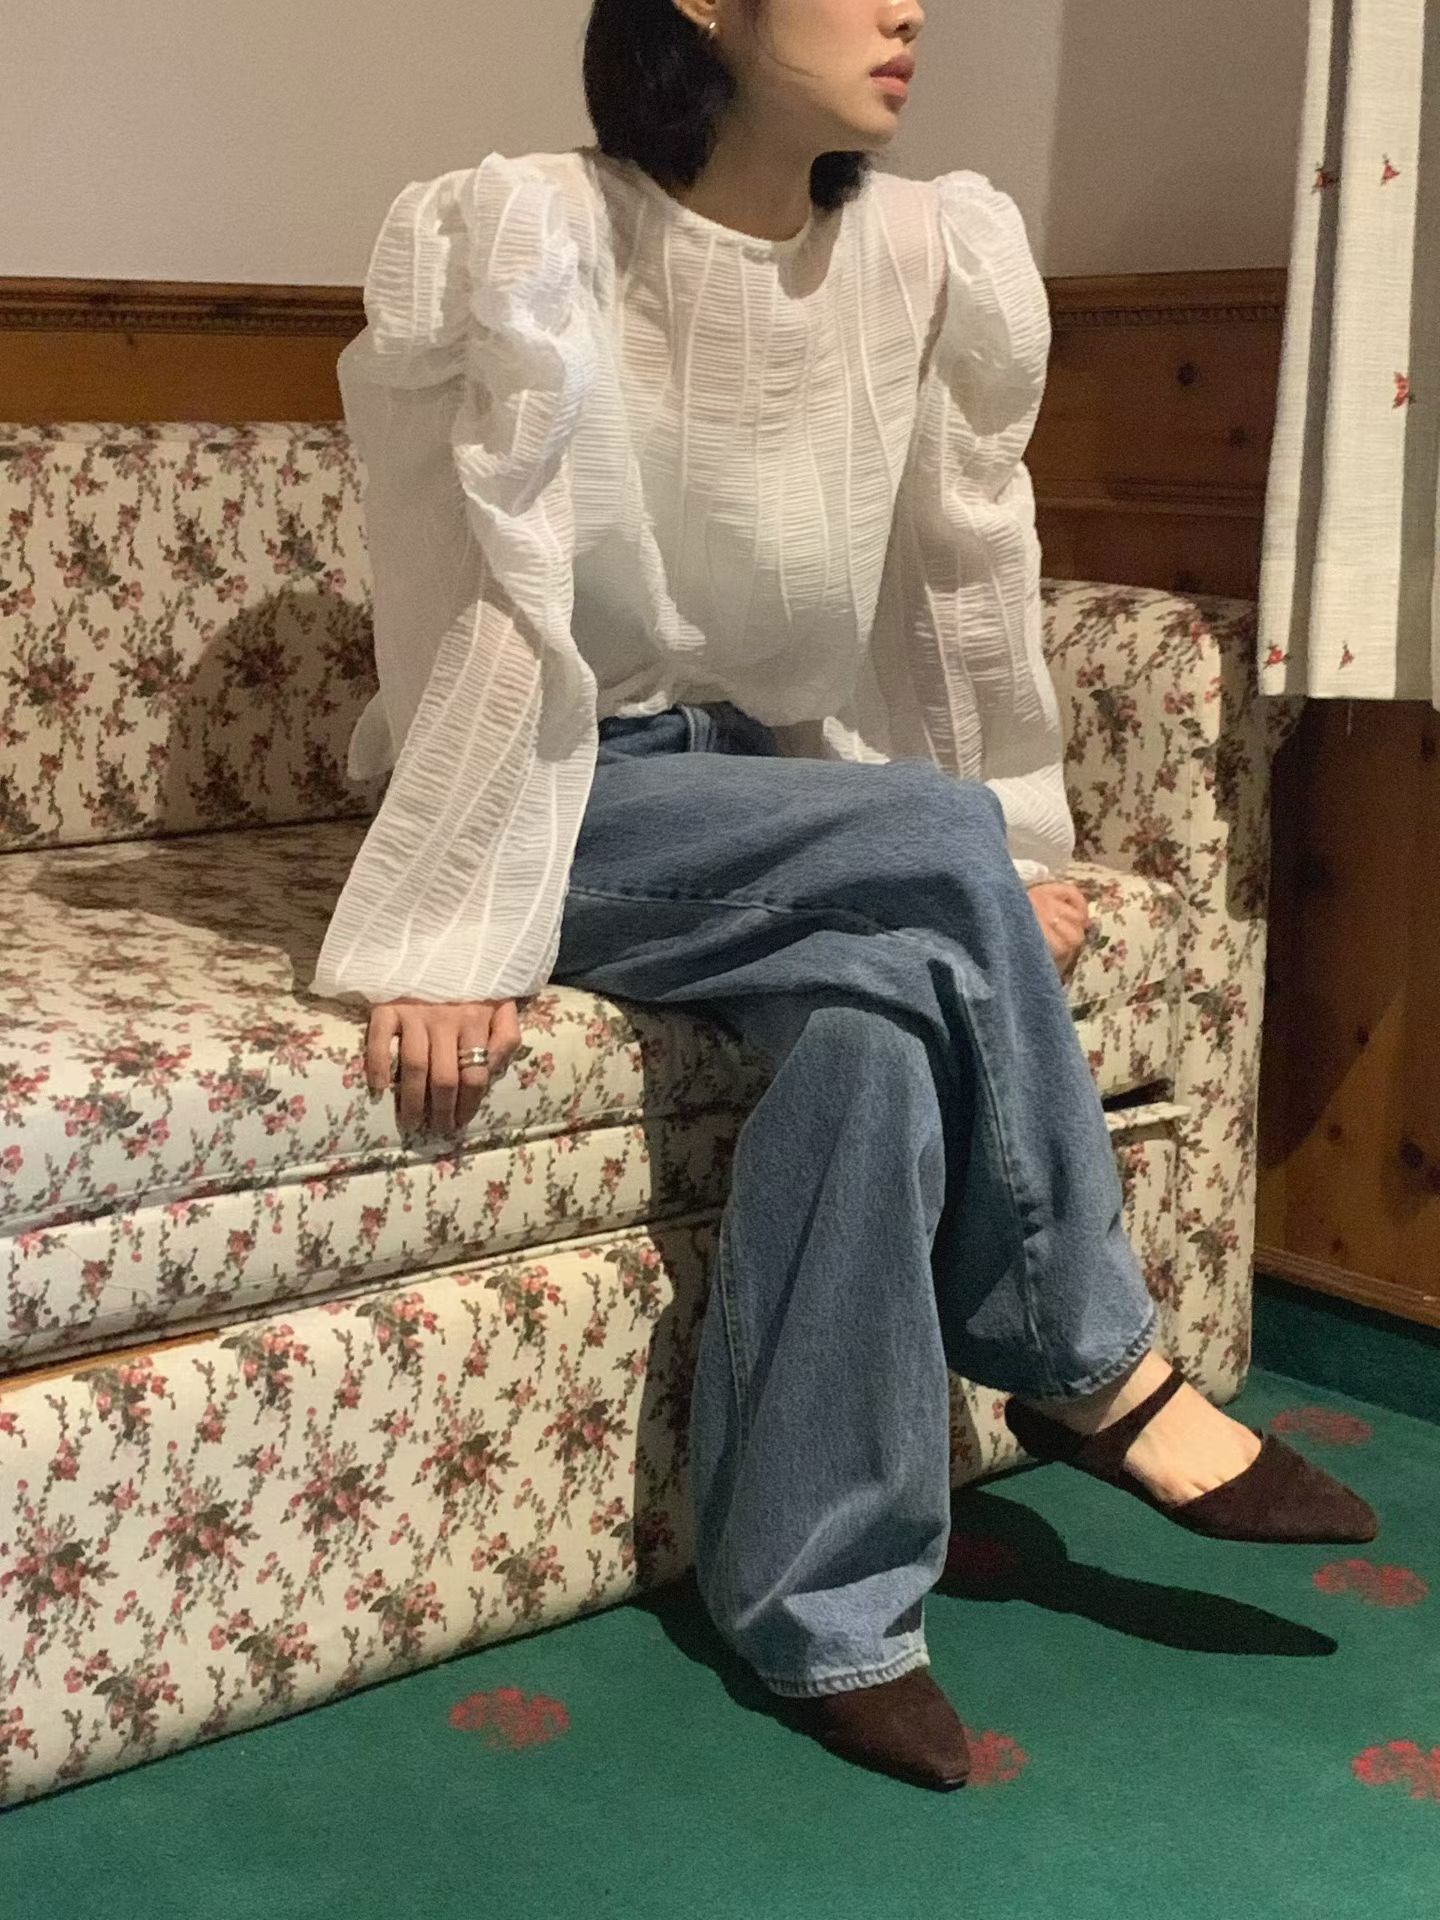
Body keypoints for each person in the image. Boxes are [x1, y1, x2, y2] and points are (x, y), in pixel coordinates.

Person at [314, 0, 1378, 1793]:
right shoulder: (531, 230)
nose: (908, 10)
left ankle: (821, 1613)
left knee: (877, 1029)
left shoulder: (920, 255)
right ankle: (1094, 1364)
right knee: (937, 850)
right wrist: (451, 915)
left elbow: (953, 577)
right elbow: (473, 592)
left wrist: (985, 856)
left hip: (772, 789)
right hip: (569, 791)